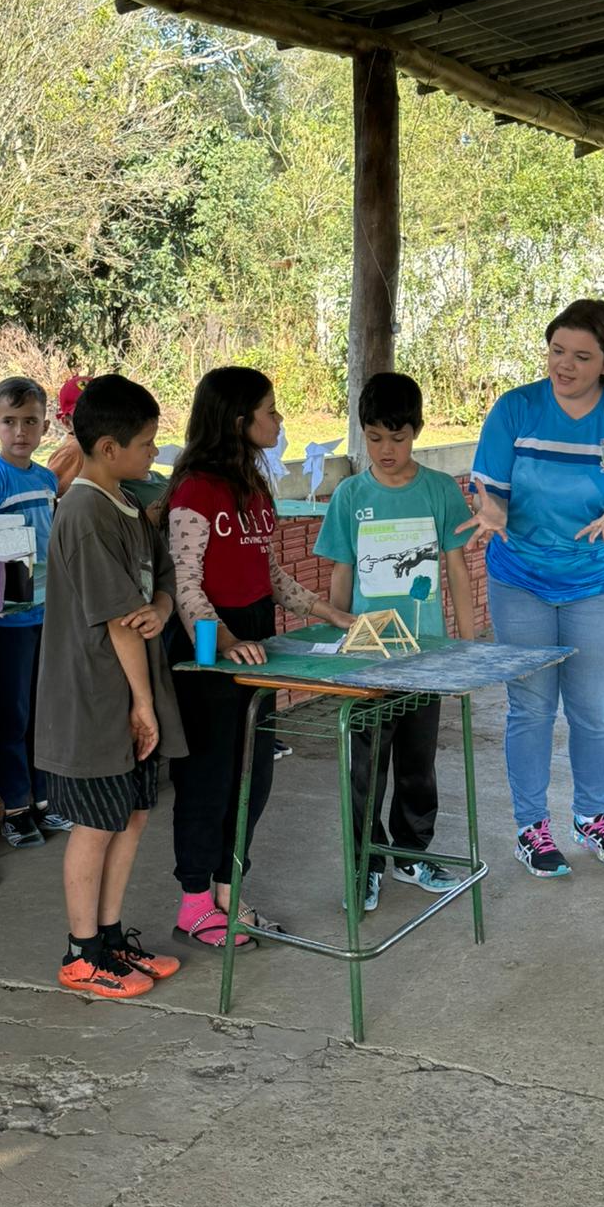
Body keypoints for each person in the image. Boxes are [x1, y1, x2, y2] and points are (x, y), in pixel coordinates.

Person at [459, 298, 604, 878]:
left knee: (594, 710)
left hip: (594, 584)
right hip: (519, 579)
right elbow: (488, 490)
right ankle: (531, 828)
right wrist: (492, 510)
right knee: (532, 707)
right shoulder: (516, 409)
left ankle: (592, 817)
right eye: (556, 352)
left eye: (580, 356)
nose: (564, 365)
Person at [164, 366, 353, 951]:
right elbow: (185, 583)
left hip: (256, 640)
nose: (279, 421)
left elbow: (269, 576)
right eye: (270, 410)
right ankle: (194, 903)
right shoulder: (195, 489)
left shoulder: (254, 487)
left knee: (254, 772)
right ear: (238, 419)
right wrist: (222, 642)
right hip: (208, 647)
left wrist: (327, 612)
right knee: (208, 775)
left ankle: (227, 889)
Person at [35, 374, 186, 999]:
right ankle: (81, 953)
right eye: (146, 444)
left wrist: (162, 606)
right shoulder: (85, 510)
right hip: (99, 696)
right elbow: (120, 624)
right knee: (96, 824)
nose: (154, 453)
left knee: (132, 815)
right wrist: (143, 705)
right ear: (106, 446)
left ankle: (109, 935)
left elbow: (163, 582)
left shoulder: (126, 502)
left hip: (132, 689)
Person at [315, 372, 475, 912]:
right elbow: (341, 572)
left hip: (424, 656)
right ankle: (365, 865)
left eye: (399, 437)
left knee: (416, 762)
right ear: (362, 432)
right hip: (366, 655)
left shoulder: (439, 491)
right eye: (376, 437)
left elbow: (456, 570)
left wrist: (469, 648)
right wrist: (337, 636)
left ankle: (410, 853)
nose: (387, 449)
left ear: (418, 432)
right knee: (364, 767)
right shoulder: (350, 495)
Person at [0, 376, 71, 849]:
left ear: (45, 425)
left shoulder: (46, 479)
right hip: (6, 621)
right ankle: (15, 808)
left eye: (30, 422)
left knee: (44, 712)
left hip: (47, 614)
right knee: (13, 714)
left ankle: (45, 800)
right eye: (10, 422)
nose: (20, 431)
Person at [48, 372, 169, 513]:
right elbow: (49, 494)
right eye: (84, 415)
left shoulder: (121, 493)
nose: (99, 422)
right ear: (66, 422)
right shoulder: (74, 450)